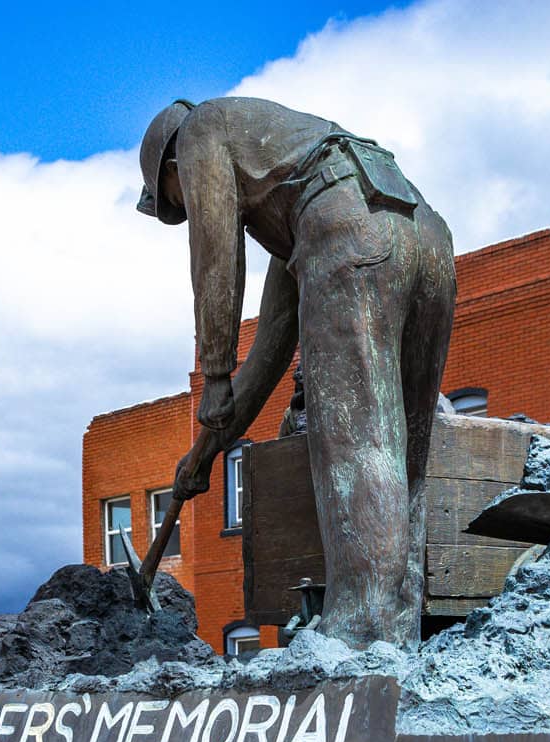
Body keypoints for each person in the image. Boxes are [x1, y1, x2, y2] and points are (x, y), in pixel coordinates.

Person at [137, 97, 455, 650]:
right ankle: (395, 631)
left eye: (177, 200)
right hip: (426, 234)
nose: (189, 204)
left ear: (173, 168)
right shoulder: (305, 189)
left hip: (355, 243)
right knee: (407, 452)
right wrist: (205, 453)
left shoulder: (200, 130)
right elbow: (268, 356)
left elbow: (214, 252)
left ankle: (358, 629)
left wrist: (214, 371)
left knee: (355, 438)